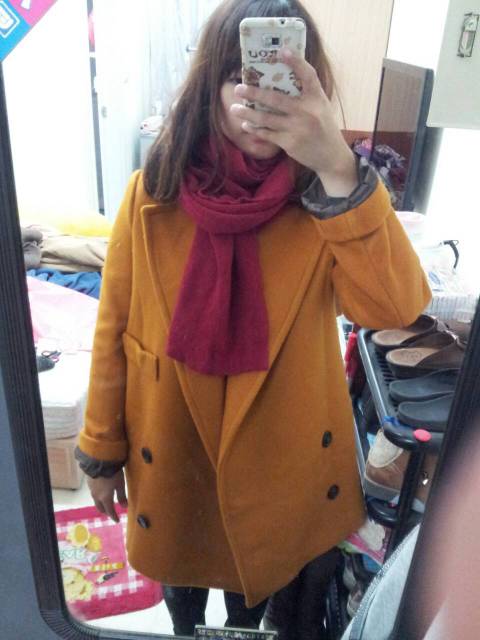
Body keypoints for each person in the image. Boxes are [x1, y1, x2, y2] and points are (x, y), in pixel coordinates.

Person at [74, 0, 431, 636]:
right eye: (243, 76)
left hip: (278, 465)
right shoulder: (151, 193)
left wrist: (338, 166)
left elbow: (394, 308)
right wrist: (101, 452)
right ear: (210, 86)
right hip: (174, 447)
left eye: (285, 79)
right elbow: (114, 329)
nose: (262, 96)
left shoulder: (325, 198)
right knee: (183, 597)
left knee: (254, 604)